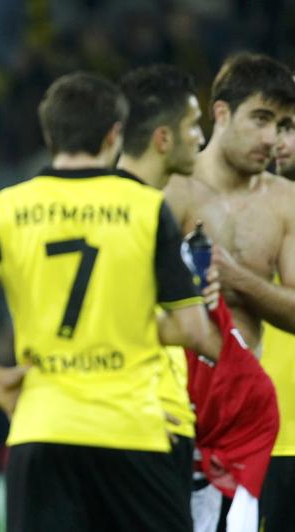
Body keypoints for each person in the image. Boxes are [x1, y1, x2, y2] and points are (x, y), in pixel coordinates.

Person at [0, 71, 223, 531]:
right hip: (132, 429)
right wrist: (131, 323)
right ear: (114, 134)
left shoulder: (5, 208)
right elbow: (195, 331)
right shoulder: (144, 209)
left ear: (49, 132)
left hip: (44, 428)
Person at [120, 63, 280, 532]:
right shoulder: (157, 207)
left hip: (202, 423)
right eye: (193, 126)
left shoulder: (271, 203)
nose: (200, 137)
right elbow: (194, 331)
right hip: (161, 414)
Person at [163, 53, 295, 531]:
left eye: (282, 124)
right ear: (220, 113)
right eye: (260, 118)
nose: (272, 138)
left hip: (237, 424)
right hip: (165, 409)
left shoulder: (286, 203)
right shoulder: (172, 190)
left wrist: (236, 278)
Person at [117, 63, 206, 518]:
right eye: (193, 125)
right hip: (149, 425)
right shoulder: (140, 214)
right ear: (163, 138)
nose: (201, 138)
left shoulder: (100, 205)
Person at [258, 112, 295, 530]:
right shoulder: (243, 209)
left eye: (291, 129)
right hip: (267, 439)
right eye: (275, 128)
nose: (278, 141)